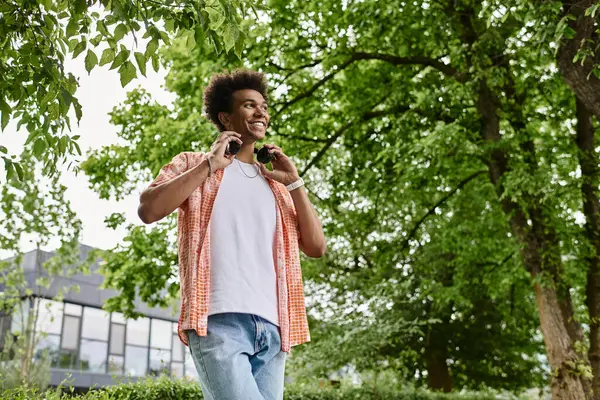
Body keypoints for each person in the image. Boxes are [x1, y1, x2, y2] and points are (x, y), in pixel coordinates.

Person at [137, 70, 326, 400]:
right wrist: (210, 163)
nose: (261, 113)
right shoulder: (194, 165)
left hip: (273, 326)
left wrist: (294, 181)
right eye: (249, 106)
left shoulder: (276, 186)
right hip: (218, 320)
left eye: (264, 107)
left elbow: (316, 246)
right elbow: (148, 209)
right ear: (226, 117)